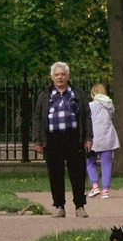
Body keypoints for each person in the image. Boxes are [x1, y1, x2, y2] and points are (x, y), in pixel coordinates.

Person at [39, 62, 91, 220]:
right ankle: (59, 206)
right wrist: (38, 140)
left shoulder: (78, 94)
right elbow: (37, 118)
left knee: (77, 173)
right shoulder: (45, 95)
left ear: (68, 76)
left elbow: (87, 116)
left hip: (74, 138)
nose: (59, 77)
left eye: (62, 74)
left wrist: (88, 138)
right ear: (52, 77)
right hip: (52, 139)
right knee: (55, 174)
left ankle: (80, 206)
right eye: (57, 75)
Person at [87, 83, 118, 201]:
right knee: (107, 165)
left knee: (90, 162)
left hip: (94, 138)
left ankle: (95, 187)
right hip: (108, 138)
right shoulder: (110, 105)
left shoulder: (90, 105)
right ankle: (105, 190)